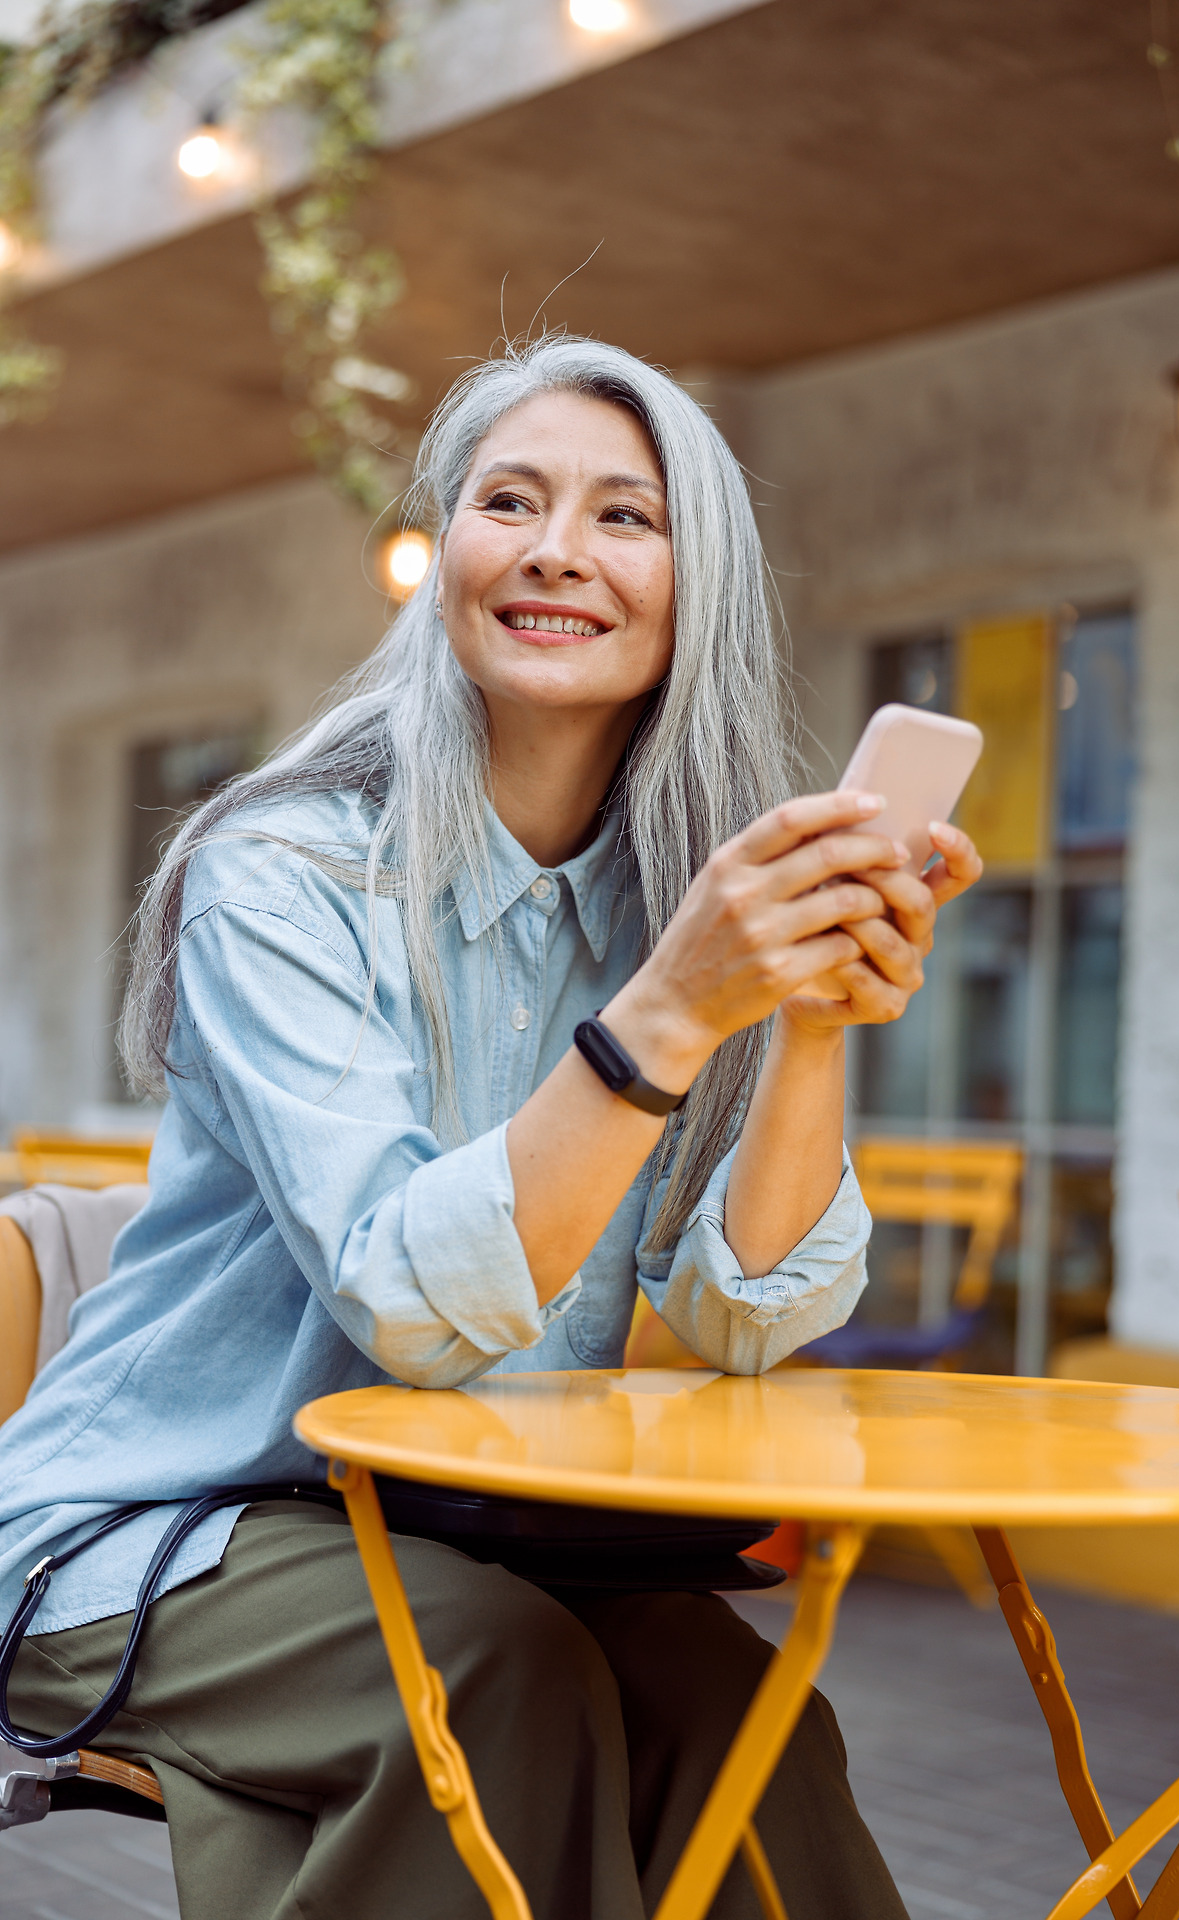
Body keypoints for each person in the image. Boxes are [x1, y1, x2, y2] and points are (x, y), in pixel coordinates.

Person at [1, 336, 980, 1920]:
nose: (554, 550)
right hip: (156, 1532)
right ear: (441, 556)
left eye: (624, 517)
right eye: (508, 500)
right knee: (494, 1680)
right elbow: (406, 1298)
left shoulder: (677, 905)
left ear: (695, 586)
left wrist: (809, 1028)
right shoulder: (287, 875)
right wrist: (669, 1013)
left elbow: (744, 1320)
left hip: (475, 1531)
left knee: (754, 1736)